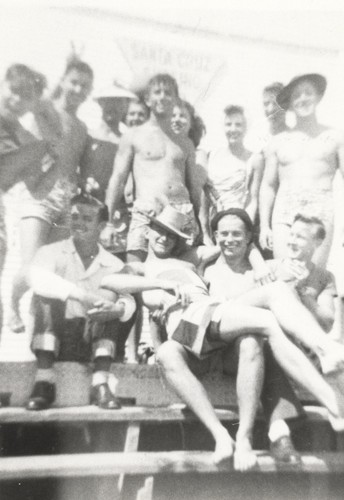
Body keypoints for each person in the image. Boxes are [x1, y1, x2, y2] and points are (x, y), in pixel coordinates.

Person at [101, 205, 344, 470]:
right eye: (159, 230)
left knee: (272, 300)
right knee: (268, 319)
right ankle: (328, 385)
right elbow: (110, 282)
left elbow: (240, 241)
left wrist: (258, 261)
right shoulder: (139, 268)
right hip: (187, 323)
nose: (164, 238)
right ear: (147, 233)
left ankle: (324, 378)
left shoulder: (191, 260)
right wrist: (161, 284)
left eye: (171, 234)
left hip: (211, 314)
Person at [204, 209, 335, 463]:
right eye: (292, 235)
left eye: (301, 237)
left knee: (262, 342)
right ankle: (280, 432)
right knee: (261, 341)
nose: (230, 239)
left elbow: (327, 320)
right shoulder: (211, 269)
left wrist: (303, 292)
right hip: (228, 349)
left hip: (267, 347)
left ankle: (280, 432)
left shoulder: (289, 271)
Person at [25, 193, 136, 411]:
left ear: (101, 225)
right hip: (54, 340)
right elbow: (37, 280)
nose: (79, 223)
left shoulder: (113, 263)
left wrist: (117, 310)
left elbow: (130, 301)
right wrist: (83, 296)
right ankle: (44, 382)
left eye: (87, 219)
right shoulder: (51, 252)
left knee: (115, 303)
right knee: (47, 295)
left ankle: (100, 383)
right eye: (75, 217)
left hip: (93, 341)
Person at [9, 59, 94, 332]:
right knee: (31, 264)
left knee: (52, 271)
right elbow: (38, 98)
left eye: (84, 85)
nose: (78, 89)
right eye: (74, 82)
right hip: (37, 194)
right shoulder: (46, 111)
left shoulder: (81, 128)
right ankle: (12, 302)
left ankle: (39, 331)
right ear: (63, 82)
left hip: (64, 198)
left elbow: (74, 165)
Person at [102, 73, 202, 263]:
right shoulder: (133, 136)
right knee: (135, 268)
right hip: (147, 210)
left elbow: (194, 187)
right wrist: (108, 223)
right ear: (147, 99)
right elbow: (117, 179)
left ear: (175, 99)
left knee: (181, 269)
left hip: (180, 211)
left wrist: (196, 220)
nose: (162, 97)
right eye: (157, 92)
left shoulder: (185, 143)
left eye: (168, 93)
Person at [259, 73, 344, 267]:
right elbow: (268, 186)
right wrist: (264, 226)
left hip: (320, 211)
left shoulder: (336, 138)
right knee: (284, 275)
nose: (303, 99)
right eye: (296, 95)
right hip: (284, 213)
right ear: (288, 102)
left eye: (308, 93)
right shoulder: (277, 142)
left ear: (319, 96)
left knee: (312, 278)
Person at [0, 64, 57, 336]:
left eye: (25, 97)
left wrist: (55, 161)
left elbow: (35, 183)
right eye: (13, 91)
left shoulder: (22, 140)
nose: (16, 100)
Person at [80, 84, 137, 261]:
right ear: (101, 104)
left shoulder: (129, 141)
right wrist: (82, 182)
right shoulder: (87, 136)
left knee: (114, 266)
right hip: (86, 211)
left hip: (117, 216)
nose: (113, 107)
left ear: (125, 106)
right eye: (108, 102)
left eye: (118, 103)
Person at [200, 105, 263, 246]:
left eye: (238, 125)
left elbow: (253, 200)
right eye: (229, 124)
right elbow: (204, 198)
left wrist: (244, 228)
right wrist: (204, 233)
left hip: (238, 224)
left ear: (246, 128)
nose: (233, 129)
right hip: (213, 224)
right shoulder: (211, 156)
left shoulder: (255, 159)